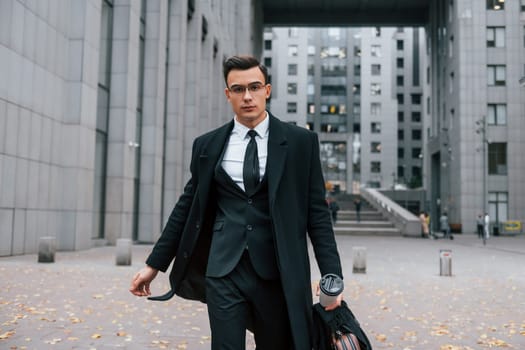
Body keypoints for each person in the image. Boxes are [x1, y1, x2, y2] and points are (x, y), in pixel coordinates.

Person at [129, 55, 344, 350]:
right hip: (223, 270)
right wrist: (155, 264)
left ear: (267, 90)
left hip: (278, 272)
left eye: (254, 87)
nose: (247, 96)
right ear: (228, 94)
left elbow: (317, 214)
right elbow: (187, 206)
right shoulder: (207, 145)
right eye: (238, 89)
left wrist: (332, 274)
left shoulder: (299, 143)